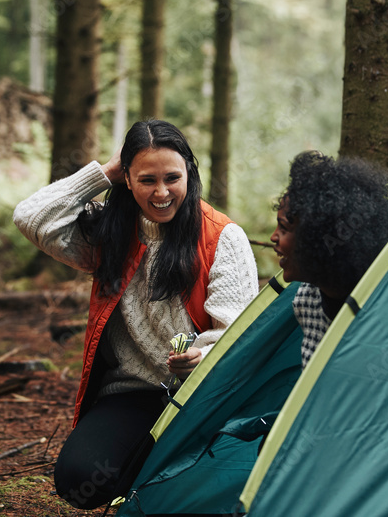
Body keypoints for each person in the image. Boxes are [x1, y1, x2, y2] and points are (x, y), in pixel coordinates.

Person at [13, 119, 259, 509]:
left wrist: (202, 356)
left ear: (189, 174)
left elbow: (239, 336)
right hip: (134, 394)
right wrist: (103, 172)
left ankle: (170, 485)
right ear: (127, 179)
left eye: (172, 178)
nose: (161, 193)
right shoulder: (111, 233)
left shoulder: (222, 237)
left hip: (201, 396)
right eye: (146, 179)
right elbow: (32, 218)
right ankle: (155, 478)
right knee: (79, 480)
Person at [271, 152, 388, 366]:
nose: (273, 237)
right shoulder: (306, 300)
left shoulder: (386, 307)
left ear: (317, 236)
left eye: (284, 228)